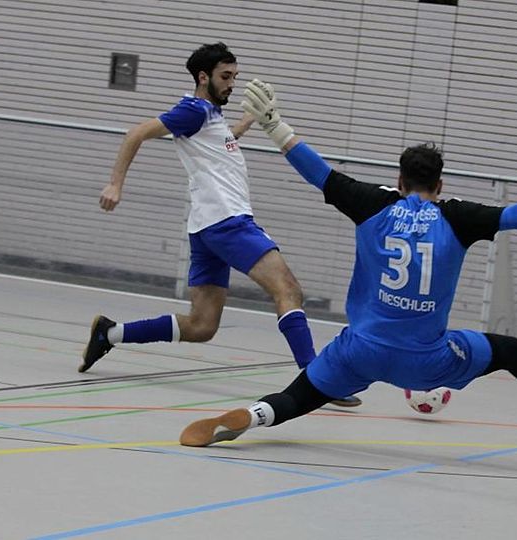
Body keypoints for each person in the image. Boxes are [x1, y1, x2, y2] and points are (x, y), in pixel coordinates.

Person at [179, 79, 517, 446]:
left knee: (304, 394)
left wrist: (276, 125)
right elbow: (514, 218)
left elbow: (321, 174)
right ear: (440, 183)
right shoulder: (457, 217)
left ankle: (258, 415)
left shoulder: (372, 205)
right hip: (425, 361)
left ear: (399, 179)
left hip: (360, 351)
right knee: (506, 351)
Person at [81, 44, 361, 407]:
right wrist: (115, 183)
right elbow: (135, 133)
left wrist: (252, 119)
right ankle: (316, 380)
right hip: (229, 223)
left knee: (201, 326)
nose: (232, 84)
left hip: (206, 227)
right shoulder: (193, 110)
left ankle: (111, 333)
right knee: (288, 290)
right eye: (225, 77)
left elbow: (219, 143)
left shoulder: (208, 115)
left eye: (235, 77)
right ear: (203, 77)